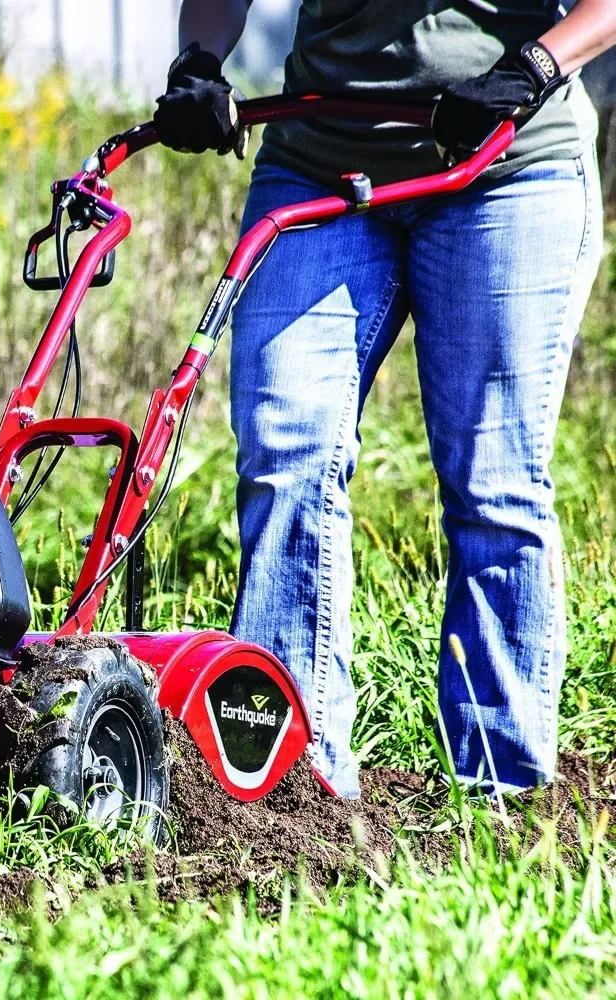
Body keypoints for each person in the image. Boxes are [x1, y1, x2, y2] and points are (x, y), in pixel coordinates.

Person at [153, 0, 616, 797]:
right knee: (284, 451)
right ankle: (292, 789)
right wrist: (198, 62)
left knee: (491, 478)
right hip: (316, 160)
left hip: (505, 166)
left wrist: (530, 68)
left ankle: (499, 793)